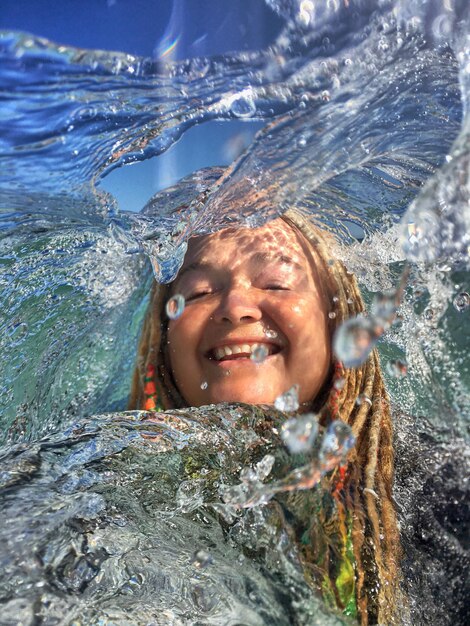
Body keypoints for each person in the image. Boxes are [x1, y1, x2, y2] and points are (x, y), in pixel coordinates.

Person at [128, 206, 401, 626]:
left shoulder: (439, 494)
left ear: (338, 324)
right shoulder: (101, 477)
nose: (235, 307)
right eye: (199, 291)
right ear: (163, 342)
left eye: (277, 283)